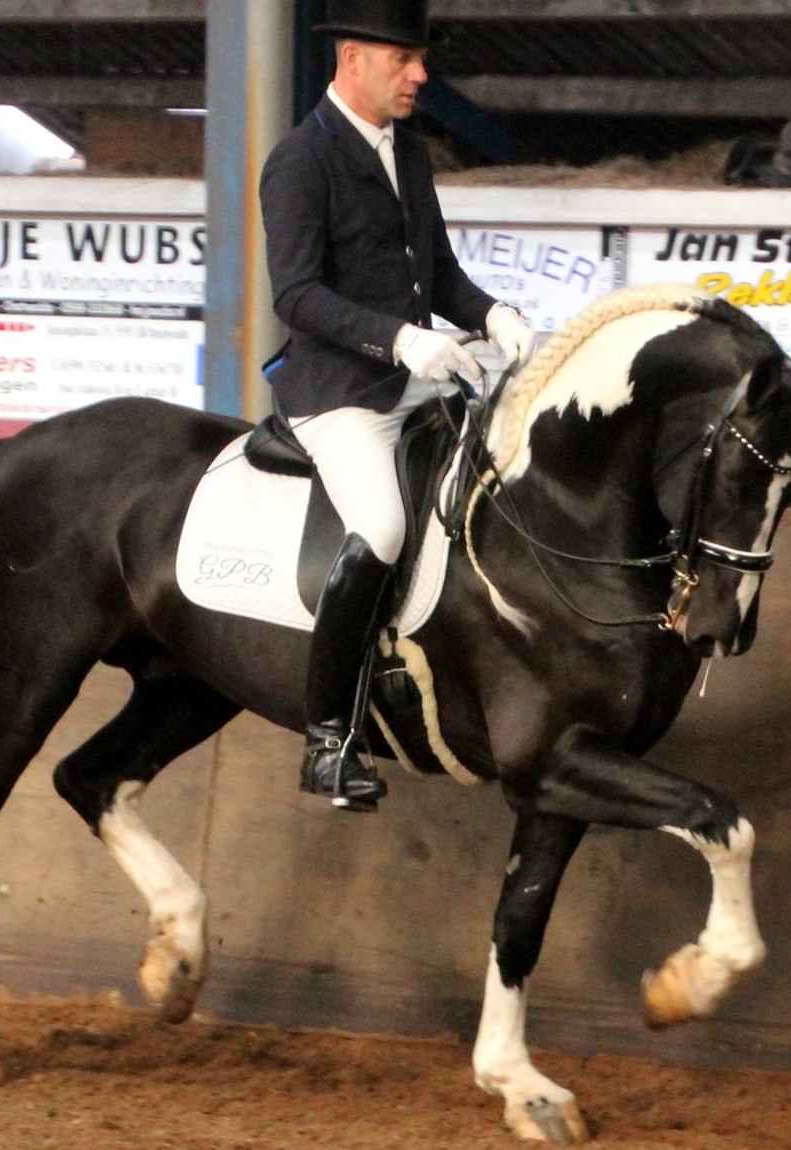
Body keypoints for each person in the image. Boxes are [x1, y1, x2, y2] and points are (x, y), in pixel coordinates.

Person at [260, 0, 536, 811]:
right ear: (352, 58)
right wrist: (399, 340)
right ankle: (327, 739)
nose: (420, 75)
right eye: (402, 60)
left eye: (420, 60)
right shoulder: (299, 160)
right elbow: (297, 295)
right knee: (379, 527)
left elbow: (438, 272)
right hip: (339, 394)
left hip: (417, 383)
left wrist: (490, 314)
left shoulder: (407, 154)